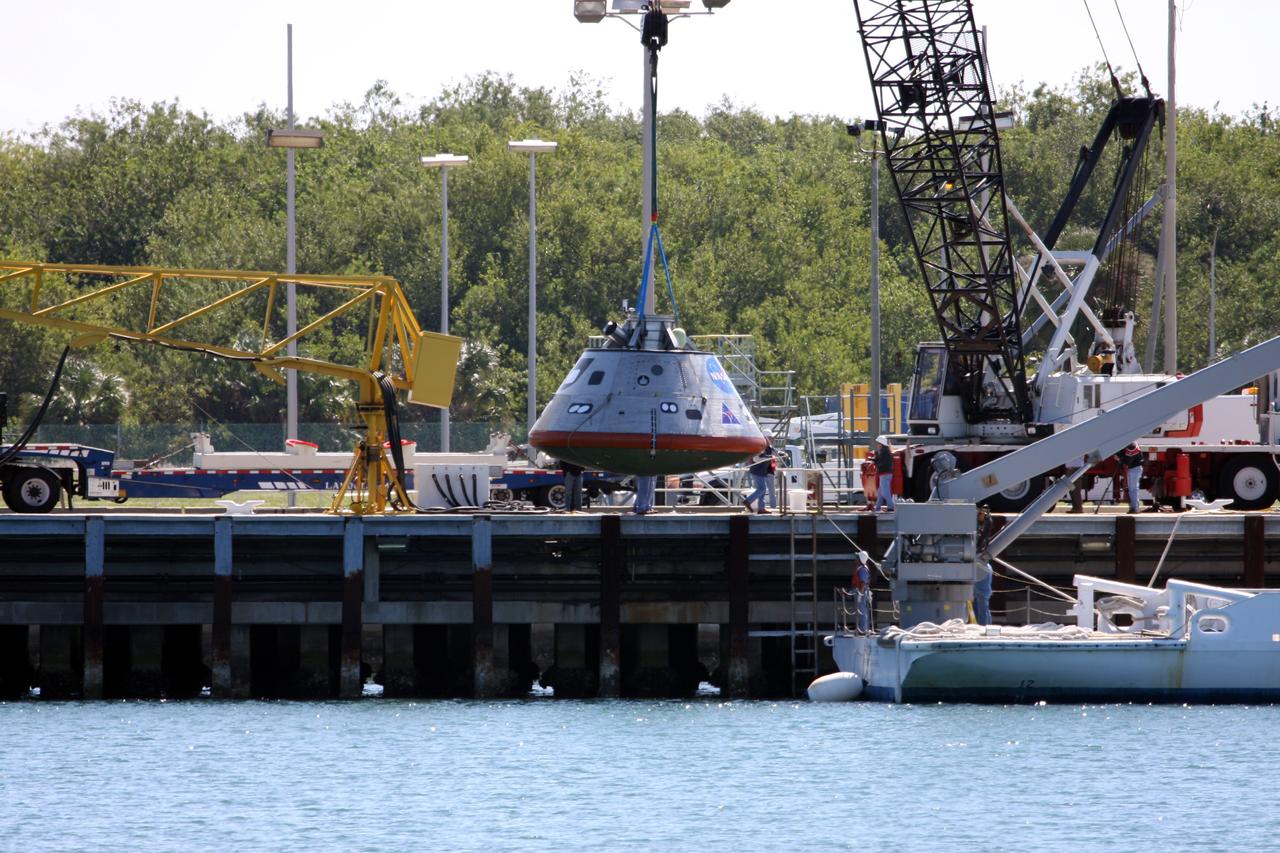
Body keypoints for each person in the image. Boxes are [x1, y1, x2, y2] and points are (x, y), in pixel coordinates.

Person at [744, 446, 776, 514]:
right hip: (757, 471)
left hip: (761, 472)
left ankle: (761, 508)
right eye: (770, 439)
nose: (771, 440)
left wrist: (782, 454)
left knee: (762, 490)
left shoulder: (769, 448)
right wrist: (768, 457)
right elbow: (756, 459)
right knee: (762, 488)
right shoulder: (761, 447)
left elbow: (775, 452)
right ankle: (748, 501)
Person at [1117, 442, 1144, 514]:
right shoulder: (1132, 444)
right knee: (1132, 489)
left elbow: (1128, 461)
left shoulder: (1131, 446)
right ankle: (1134, 507)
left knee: (1133, 489)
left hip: (1134, 469)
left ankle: (1135, 508)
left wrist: (1119, 459)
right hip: (1134, 468)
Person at [872, 434, 895, 513]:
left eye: (878, 443)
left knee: (885, 493)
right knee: (880, 493)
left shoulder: (883, 452)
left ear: (881, 444)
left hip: (884, 474)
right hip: (887, 474)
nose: (877, 445)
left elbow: (881, 464)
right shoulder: (886, 451)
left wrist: (875, 461)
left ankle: (891, 507)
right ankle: (877, 508)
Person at [851, 550, 872, 633]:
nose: (856, 559)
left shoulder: (862, 569)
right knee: (861, 610)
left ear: (860, 559)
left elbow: (863, 582)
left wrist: (860, 594)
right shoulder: (861, 568)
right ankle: (862, 628)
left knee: (862, 610)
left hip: (861, 592)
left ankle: (863, 629)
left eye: (857, 558)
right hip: (860, 591)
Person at [972, 561, 993, 626]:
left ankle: (983, 627)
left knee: (982, 610)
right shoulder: (987, 566)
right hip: (982, 591)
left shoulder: (982, 566)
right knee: (984, 609)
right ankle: (987, 626)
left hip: (981, 591)